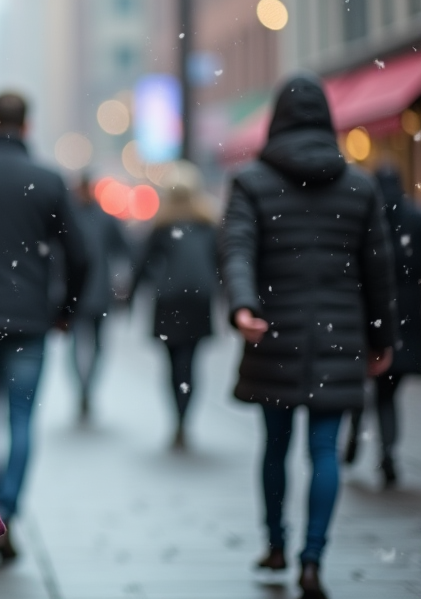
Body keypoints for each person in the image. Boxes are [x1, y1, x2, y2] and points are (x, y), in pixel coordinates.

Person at [220, 76, 396, 599]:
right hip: (339, 336)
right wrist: (380, 336)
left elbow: (237, 248)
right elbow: (378, 270)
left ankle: (275, 543)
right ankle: (313, 559)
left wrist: (245, 305)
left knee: (275, 446)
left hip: (274, 333)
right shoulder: (359, 186)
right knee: (324, 448)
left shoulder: (251, 182)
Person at [0, 92, 88, 564]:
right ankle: (6, 510)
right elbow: (80, 254)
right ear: (28, 125)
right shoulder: (48, 180)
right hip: (30, 318)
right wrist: (65, 309)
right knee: (21, 418)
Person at [129, 161, 218, 450]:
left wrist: (129, 296)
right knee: (191, 362)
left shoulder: (162, 225)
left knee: (172, 364)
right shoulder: (208, 224)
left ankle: (177, 416)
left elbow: (143, 263)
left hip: (169, 301)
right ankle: (185, 415)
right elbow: (222, 262)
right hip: (198, 300)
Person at [344, 166, 421, 487]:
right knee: (390, 390)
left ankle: (355, 441)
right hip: (410, 316)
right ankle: (387, 452)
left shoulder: (366, 217)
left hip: (370, 311)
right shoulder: (415, 218)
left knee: (367, 387)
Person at [71, 174, 132, 421]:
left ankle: (86, 388)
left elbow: (124, 250)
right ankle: (84, 388)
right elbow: (124, 250)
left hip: (88, 293)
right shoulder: (98, 218)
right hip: (85, 293)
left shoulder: (84, 217)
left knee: (91, 346)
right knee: (86, 346)